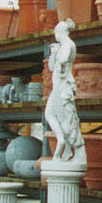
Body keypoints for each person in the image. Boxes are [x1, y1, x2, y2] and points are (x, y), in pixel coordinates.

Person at [44, 19, 85, 166]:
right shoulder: (62, 46)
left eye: (56, 33)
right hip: (57, 88)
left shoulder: (68, 44)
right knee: (49, 114)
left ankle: (74, 150)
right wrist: (53, 53)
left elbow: (62, 62)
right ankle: (61, 139)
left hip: (63, 88)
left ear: (60, 32)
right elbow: (51, 67)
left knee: (67, 120)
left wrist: (58, 55)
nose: (55, 36)